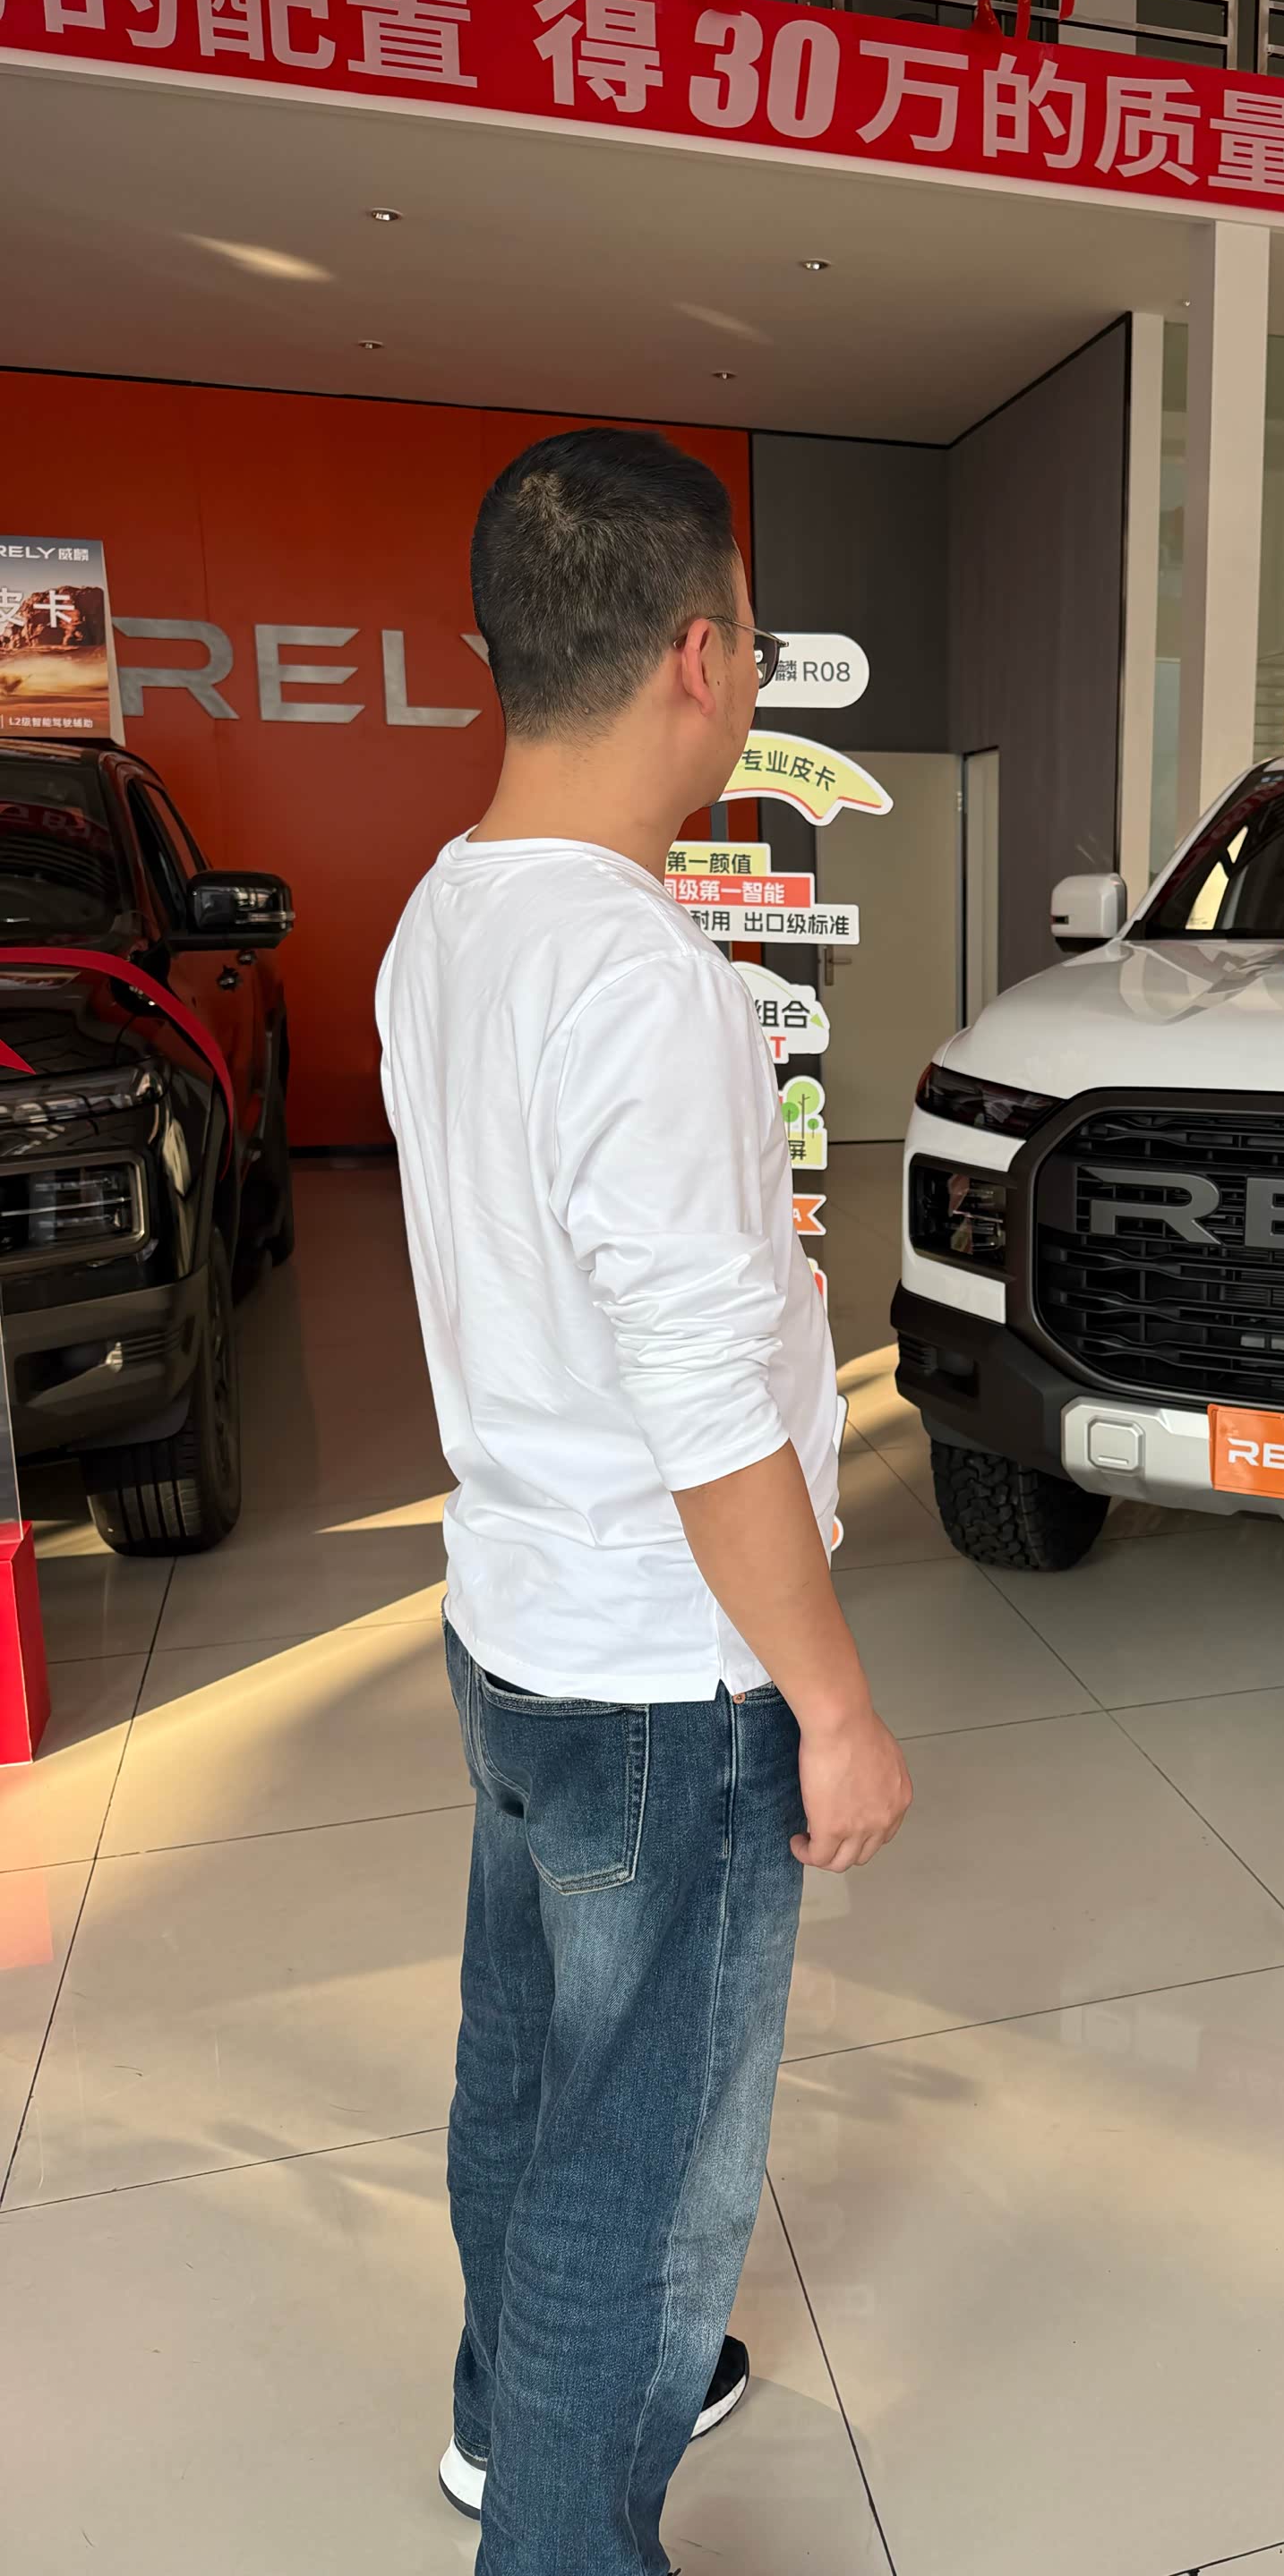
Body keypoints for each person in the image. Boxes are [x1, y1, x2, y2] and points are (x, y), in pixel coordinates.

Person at [376, 426, 912, 2575]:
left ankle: (506, 2414)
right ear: (701, 658)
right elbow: (709, 1422)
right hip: (665, 1677)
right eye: (753, 639)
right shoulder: (641, 982)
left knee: (530, 2061)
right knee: (650, 2152)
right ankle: (565, 2536)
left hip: (516, 1619)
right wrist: (835, 1709)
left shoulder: (447, 913)